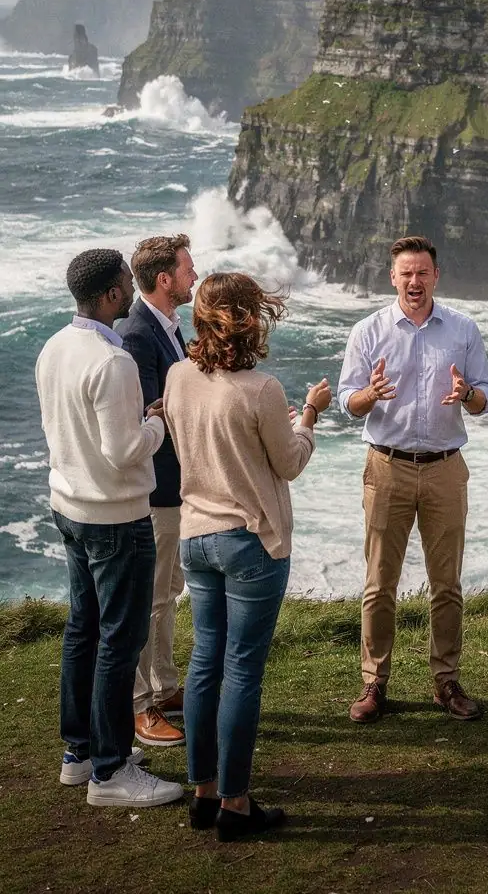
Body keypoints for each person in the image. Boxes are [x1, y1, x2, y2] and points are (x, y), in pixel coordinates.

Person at [162, 272, 331, 841]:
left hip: (196, 535)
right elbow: (288, 464)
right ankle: (237, 804)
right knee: (241, 670)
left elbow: (202, 436)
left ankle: (203, 794)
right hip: (250, 540)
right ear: (250, 318)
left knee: (205, 661)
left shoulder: (179, 376)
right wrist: (308, 416)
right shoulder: (262, 388)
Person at [35, 248, 184, 809]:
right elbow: (123, 452)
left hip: (69, 506)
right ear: (112, 295)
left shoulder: (56, 347)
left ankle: (79, 753)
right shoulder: (113, 360)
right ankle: (111, 770)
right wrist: (156, 423)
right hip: (116, 516)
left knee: (83, 631)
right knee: (120, 641)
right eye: (125, 281)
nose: (129, 286)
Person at [338, 234, 488, 725]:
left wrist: (467, 392)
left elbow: (486, 396)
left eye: (422, 272)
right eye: (406, 273)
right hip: (387, 466)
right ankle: (373, 683)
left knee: (446, 583)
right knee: (379, 584)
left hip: (446, 467)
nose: (414, 281)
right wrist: (370, 394)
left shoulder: (463, 330)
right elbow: (346, 402)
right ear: (393, 278)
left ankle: (446, 680)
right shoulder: (368, 331)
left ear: (435, 277)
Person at [118, 233, 197, 750]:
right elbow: (151, 409)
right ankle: (141, 705)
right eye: (188, 269)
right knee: (150, 599)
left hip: (173, 486)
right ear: (164, 279)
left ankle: (164, 687)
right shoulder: (139, 334)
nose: (195, 276)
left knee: (167, 594)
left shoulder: (166, 326)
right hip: (156, 489)